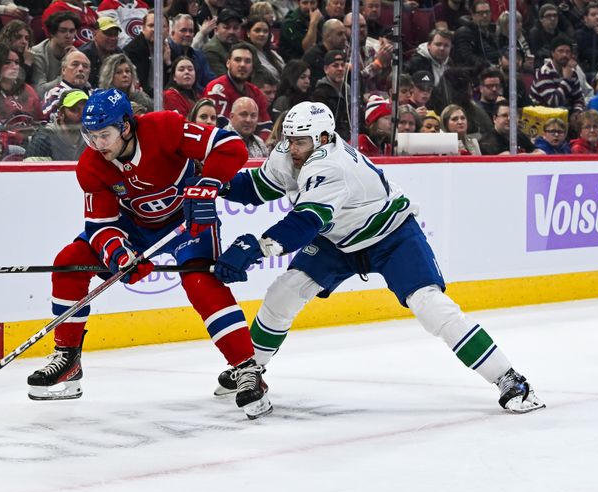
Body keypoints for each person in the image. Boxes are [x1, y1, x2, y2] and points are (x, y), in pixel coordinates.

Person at [210, 101, 545, 415]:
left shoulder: (332, 167)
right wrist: (213, 183)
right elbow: (258, 187)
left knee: (431, 306)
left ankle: (509, 378)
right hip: (338, 240)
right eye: (290, 140)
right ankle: (250, 369)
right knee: (284, 293)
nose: (292, 148)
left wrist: (256, 248)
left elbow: (305, 222)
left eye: (300, 141)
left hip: (391, 235)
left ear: (324, 138)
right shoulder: (292, 151)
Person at [26, 88, 272, 420]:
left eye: (104, 135)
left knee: (200, 281)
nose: (97, 144)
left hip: (187, 220)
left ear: (126, 126)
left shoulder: (165, 127)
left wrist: (209, 182)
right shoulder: (91, 165)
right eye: (91, 136)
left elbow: (229, 146)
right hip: (135, 228)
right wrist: (120, 256)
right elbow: (100, 225)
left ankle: (247, 368)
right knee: (70, 260)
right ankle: (67, 357)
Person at [203, 43, 272, 134]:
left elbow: (266, 127)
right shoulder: (216, 89)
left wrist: (258, 144)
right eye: (237, 60)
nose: (242, 65)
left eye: (247, 61)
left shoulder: (256, 92)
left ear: (252, 66)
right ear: (228, 63)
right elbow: (219, 127)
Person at [25, 89, 89, 161]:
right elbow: (31, 170)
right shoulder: (44, 138)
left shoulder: (92, 137)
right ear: (60, 114)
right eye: (74, 110)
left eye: (85, 110)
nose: (81, 115)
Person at [31, 11, 80, 95]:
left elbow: (86, 86)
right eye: (63, 31)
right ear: (52, 32)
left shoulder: (76, 54)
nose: (68, 35)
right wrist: (67, 75)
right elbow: (40, 92)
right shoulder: (37, 54)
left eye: (72, 31)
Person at [479, 100, 545, 155]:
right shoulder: (487, 141)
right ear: (494, 118)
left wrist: (526, 155)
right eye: (504, 115)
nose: (509, 118)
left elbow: (541, 153)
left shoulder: (519, 135)